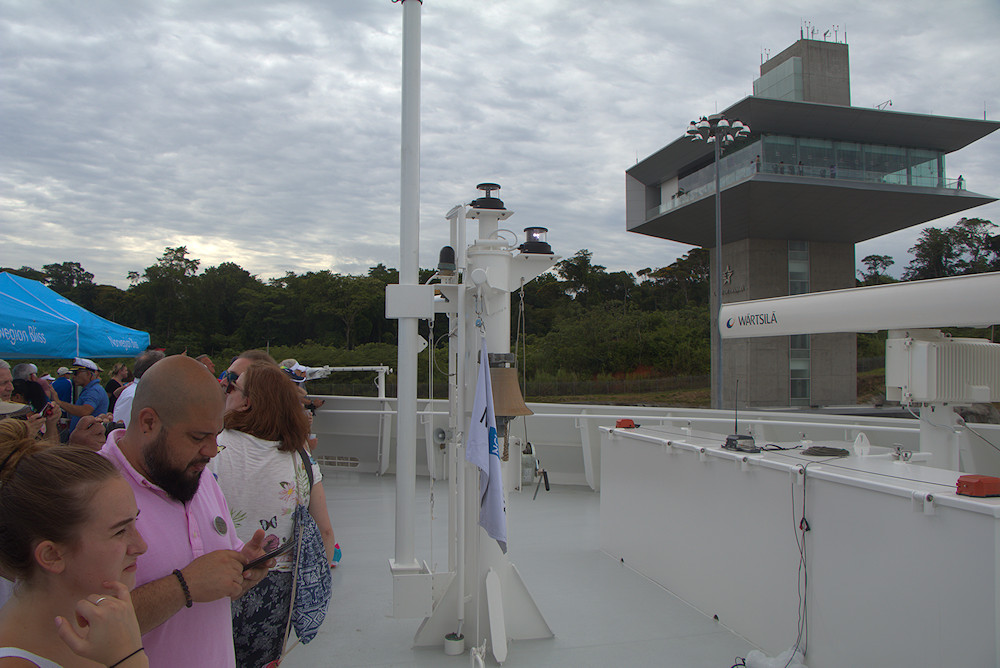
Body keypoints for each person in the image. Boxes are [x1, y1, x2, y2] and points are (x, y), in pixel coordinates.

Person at [99, 355, 272, 667]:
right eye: (197, 437)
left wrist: (241, 566)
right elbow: (81, 622)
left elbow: (215, 562)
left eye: (215, 436)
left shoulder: (196, 472)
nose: (210, 451)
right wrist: (185, 585)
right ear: (148, 422)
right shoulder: (91, 491)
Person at [212, 362, 336, 666]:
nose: (226, 391)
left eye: (232, 387)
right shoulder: (300, 457)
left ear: (247, 401)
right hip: (276, 587)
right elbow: (325, 534)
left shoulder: (213, 448)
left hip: (215, 580)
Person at [0, 431, 150, 668]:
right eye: (120, 531)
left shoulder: (101, 633)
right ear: (52, 555)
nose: (141, 545)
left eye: (135, 523)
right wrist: (130, 661)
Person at [51, 358, 108, 436]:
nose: (73, 376)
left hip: (88, 439)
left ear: (89, 374)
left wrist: (59, 402)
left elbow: (85, 411)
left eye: (76, 373)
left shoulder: (94, 391)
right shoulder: (91, 389)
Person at [113, 350, 165, 428]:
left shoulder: (145, 391)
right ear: (154, 370)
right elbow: (122, 431)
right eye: (163, 369)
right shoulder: (133, 396)